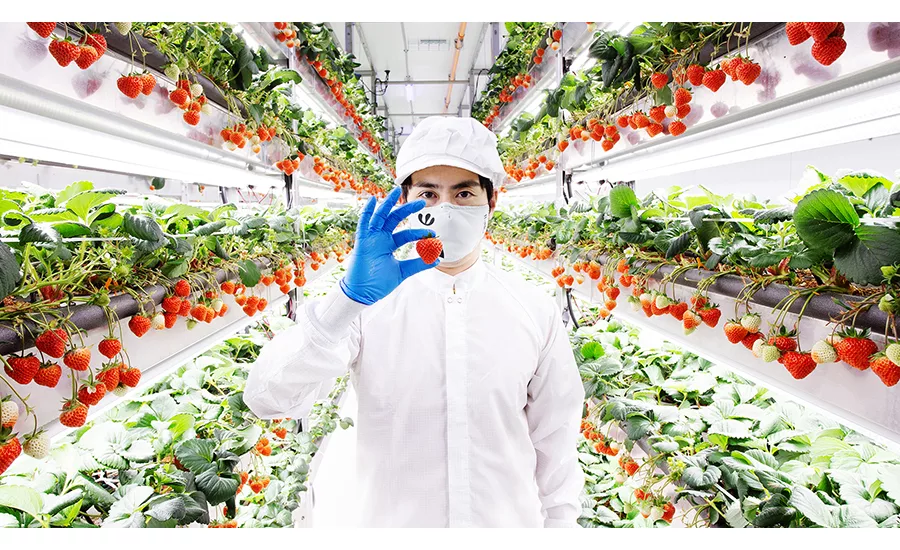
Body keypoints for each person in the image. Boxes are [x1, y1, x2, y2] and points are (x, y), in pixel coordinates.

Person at [244, 116, 585, 528]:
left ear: (490, 203)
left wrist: (562, 528)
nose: (446, 208)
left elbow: (557, 439)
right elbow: (266, 398)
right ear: (405, 201)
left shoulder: (533, 309)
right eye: (428, 193)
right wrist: (346, 301)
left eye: (463, 193)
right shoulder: (367, 306)